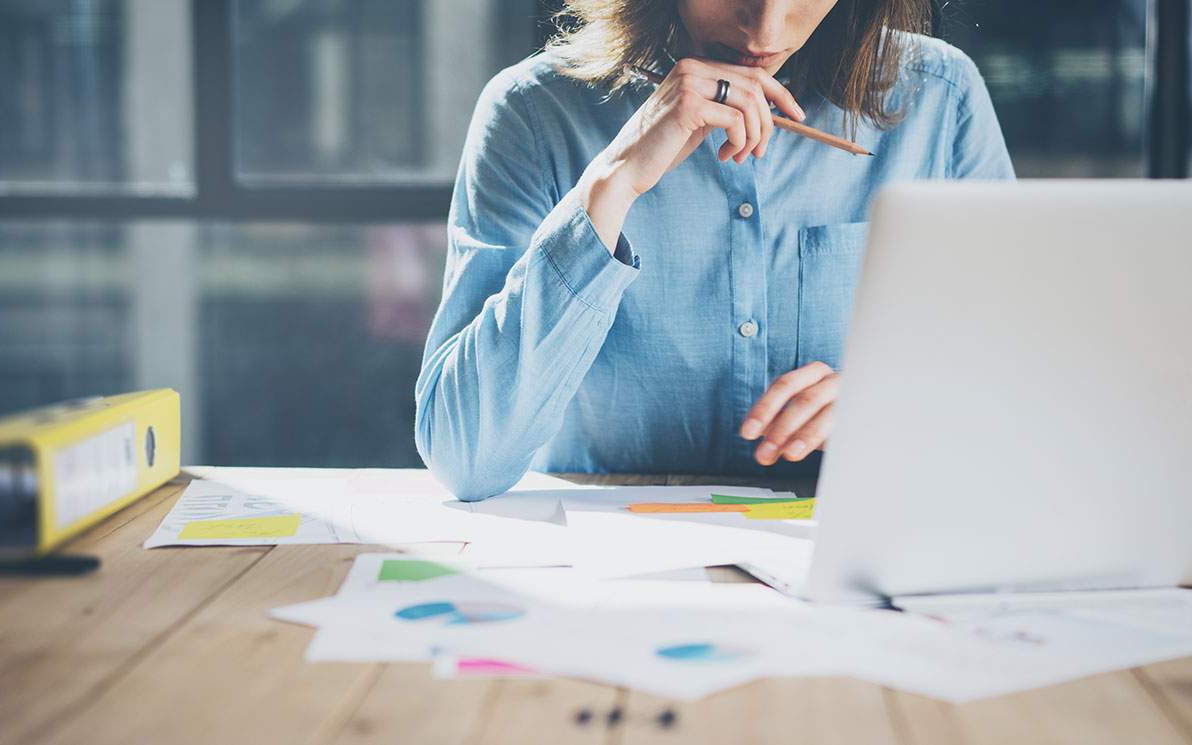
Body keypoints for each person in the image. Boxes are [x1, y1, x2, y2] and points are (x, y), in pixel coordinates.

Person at [415, 0, 1013, 501]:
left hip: (853, 551)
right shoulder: (532, 112)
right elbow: (464, 456)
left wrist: (903, 401)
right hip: (609, 572)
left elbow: (1021, 398)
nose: (767, 28)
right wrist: (612, 185)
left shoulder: (942, 99)